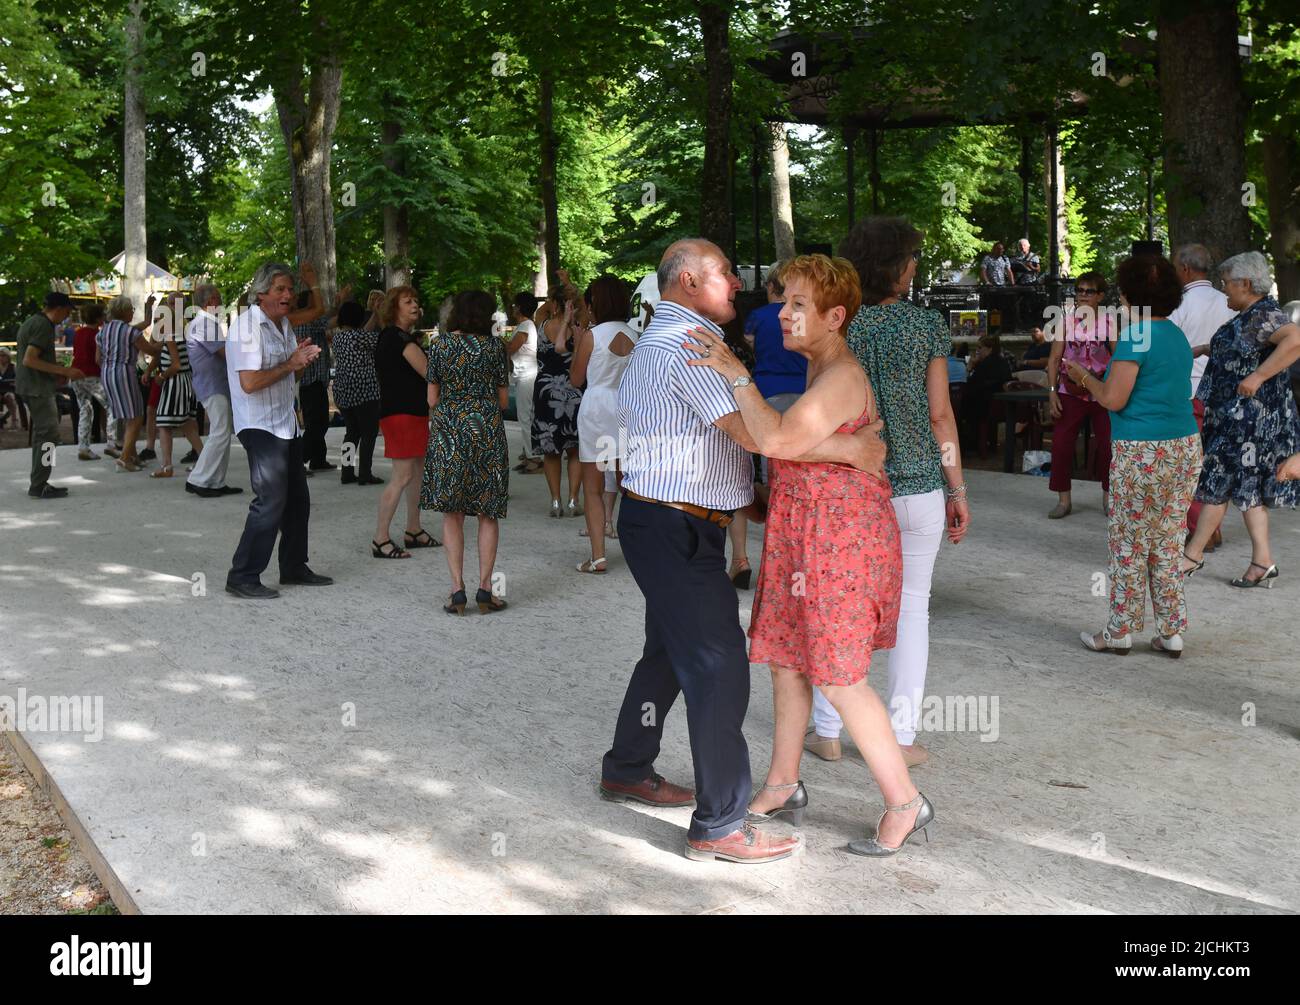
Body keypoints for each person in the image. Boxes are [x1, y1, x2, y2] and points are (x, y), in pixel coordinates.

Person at [599, 238, 887, 864]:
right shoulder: (692, 346)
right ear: (688, 282)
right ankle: (720, 824)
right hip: (673, 528)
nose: (738, 283)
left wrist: (742, 493)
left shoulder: (679, 335)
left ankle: (627, 766)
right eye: (726, 273)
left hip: (667, 521)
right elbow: (762, 436)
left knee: (668, 656)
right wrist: (848, 449)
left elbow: (725, 438)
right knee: (717, 665)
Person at [684, 253, 935, 856]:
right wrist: (844, 453)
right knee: (789, 659)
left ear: (835, 316)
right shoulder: (819, 371)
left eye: (798, 305)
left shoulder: (841, 377)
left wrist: (734, 371)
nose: (783, 315)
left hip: (838, 539)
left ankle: (906, 802)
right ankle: (782, 783)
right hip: (808, 532)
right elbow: (773, 438)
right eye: (784, 301)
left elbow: (771, 437)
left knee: (840, 675)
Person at [805, 217, 970, 767]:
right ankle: (898, 736)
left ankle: (827, 728)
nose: (916, 266)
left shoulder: (836, 327)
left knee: (842, 607)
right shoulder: (926, 327)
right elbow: (941, 417)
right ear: (897, 267)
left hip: (853, 487)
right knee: (912, 609)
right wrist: (958, 487)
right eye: (912, 257)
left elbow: (815, 414)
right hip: (919, 486)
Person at [1071, 255, 1200, 656]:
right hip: (1183, 447)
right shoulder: (1176, 335)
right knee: (1167, 541)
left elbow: (1113, 398)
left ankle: (1118, 632)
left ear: (1127, 294)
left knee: (1128, 543)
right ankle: (1171, 631)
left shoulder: (1136, 335)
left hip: (1142, 451)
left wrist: (1084, 377)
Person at [1180, 251, 1300, 587]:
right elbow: (1245, 348)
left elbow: (1296, 340)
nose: (1224, 289)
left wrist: (1259, 376)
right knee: (1245, 490)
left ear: (1245, 283)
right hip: (1236, 420)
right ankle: (1262, 561)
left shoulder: (1264, 315)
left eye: (1227, 283)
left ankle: (1192, 556)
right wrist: (1207, 349)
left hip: (1250, 423)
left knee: (1220, 482)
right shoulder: (1248, 315)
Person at [224, 262, 332, 599]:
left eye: (289, 289)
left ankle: (294, 567)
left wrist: (300, 362)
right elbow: (250, 382)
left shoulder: (283, 325)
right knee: (269, 500)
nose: (287, 295)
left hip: (285, 424)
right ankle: (241, 576)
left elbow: (289, 376)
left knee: (298, 501)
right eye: (280, 289)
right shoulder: (247, 327)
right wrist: (290, 363)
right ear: (261, 293)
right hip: (258, 425)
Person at [422, 290, 510, 613]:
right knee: (487, 512)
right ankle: (486, 589)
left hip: (450, 432)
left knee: (453, 512)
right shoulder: (495, 348)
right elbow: (503, 402)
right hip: (486, 431)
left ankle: (457, 589)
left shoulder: (440, 346)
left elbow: (432, 399)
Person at [1169, 244, 1236, 547]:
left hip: (1190, 392)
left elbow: (1168, 350)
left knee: (1189, 464)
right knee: (1215, 462)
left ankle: (1200, 528)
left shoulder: (1178, 304)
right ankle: (1213, 526)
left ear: (1184, 268)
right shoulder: (1228, 301)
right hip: (1224, 393)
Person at [571, 275, 636, 573]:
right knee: (632, 485)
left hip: (597, 408)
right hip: (628, 408)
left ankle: (598, 555)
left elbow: (576, 379)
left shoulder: (592, 336)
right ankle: (642, 548)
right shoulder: (637, 335)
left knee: (594, 487)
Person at [373, 286, 439, 560]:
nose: (415, 305)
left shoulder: (397, 337)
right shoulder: (399, 339)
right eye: (407, 301)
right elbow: (429, 373)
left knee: (415, 473)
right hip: (402, 414)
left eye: (416, 300)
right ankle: (380, 539)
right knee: (402, 477)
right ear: (394, 308)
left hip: (409, 412)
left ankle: (414, 529)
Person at [1045, 272, 1116, 518]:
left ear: (1100, 296)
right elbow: (1054, 360)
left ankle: (1109, 498)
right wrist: (1052, 392)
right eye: (1079, 290)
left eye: (1089, 291)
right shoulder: (1065, 322)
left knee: (1108, 446)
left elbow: (1118, 360)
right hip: (1070, 391)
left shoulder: (1110, 323)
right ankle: (1064, 500)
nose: (1083, 295)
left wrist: (1116, 389)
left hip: (1101, 391)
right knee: (1062, 445)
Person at [16, 292, 82, 498]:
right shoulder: (44, 326)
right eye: (68, 311)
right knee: (49, 436)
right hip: (37, 389)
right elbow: (30, 360)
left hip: (32, 386)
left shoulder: (32, 321)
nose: (67, 316)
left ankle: (40, 480)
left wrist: (54, 374)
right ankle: (40, 483)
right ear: (60, 308)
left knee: (43, 436)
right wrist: (64, 371)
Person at [532, 269, 585, 517]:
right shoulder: (579, 328)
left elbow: (542, 310)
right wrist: (570, 287)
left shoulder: (541, 324)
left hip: (546, 391)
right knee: (575, 448)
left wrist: (560, 289)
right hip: (574, 390)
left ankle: (555, 501)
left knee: (550, 450)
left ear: (553, 303)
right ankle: (574, 499)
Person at [96, 295, 159, 472]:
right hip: (123, 372)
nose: (132, 312)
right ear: (123, 311)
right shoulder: (130, 332)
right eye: (131, 309)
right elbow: (150, 350)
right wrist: (165, 342)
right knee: (136, 417)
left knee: (126, 415)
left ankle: (132, 455)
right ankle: (124, 458)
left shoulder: (103, 331)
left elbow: (97, 358)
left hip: (107, 373)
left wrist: (148, 306)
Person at [151, 294, 205, 479]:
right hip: (186, 381)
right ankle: (205, 459)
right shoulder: (181, 330)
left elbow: (175, 364)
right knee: (188, 425)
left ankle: (167, 466)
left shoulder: (171, 334)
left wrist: (161, 376)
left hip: (175, 382)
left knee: (164, 424)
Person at [331, 299, 382, 486]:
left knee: (351, 432)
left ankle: (347, 471)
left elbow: (362, 333)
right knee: (369, 432)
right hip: (365, 390)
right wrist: (380, 318)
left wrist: (375, 315)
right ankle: (365, 473)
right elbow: (382, 338)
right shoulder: (361, 337)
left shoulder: (338, 337)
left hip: (343, 390)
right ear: (360, 318)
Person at [293, 279, 334, 474]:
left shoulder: (305, 322)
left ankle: (319, 458)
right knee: (318, 424)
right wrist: (339, 302)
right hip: (313, 380)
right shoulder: (308, 320)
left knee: (316, 422)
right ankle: (299, 460)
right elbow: (331, 319)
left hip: (309, 380)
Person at [506, 292, 542, 475]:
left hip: (527, 376)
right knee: (527, 416)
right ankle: (529, 454)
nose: (512, 308)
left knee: (525, 416)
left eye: (514, 305)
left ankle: (533, 458)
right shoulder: (525, 325)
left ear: (520, 307)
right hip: (524, 375)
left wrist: (495, 342)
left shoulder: (526, 325)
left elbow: (511, 348)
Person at [70, 303, 112, 460]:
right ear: (99, 318)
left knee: (85, 410)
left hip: (76, 375)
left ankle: (83, 447)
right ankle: (113, 444)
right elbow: (97, 358)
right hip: (92, 375)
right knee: (112, 406)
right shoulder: (97, 335)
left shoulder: (78, 333)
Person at [958, 333, 1013, 449]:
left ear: (989, 349)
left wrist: (970, 366)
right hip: (1001, 406)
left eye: (979, 347)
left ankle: (968, 443)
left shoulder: (984, 365)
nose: (977, 351)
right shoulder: (1002, 362)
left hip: (984, 408)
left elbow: (970, 384)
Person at [0, 349, 25, 431]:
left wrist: (14, 383)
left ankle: (14, 421)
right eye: (0, 355)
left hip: (10, 390)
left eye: (3, 355)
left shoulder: (13, 366)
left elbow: (19, 380)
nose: (1, 358)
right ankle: (1, 419)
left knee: (10, 397)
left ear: (8, 357)